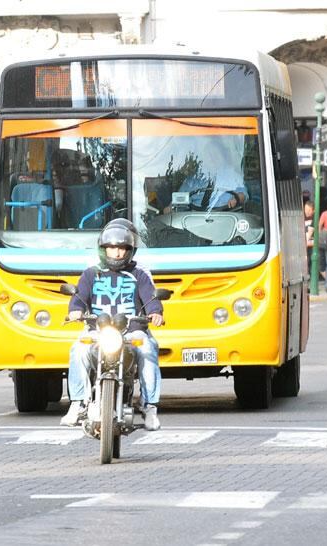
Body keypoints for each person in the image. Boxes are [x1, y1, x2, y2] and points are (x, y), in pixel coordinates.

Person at [60, 219, 164, 431]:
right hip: (97, 331)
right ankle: (78, 403)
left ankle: (149, 406)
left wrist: (155, 313)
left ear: (130, 250)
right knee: (78, 349)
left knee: (148, 349)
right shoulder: (91, 273)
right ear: (103, 249)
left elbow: (151, 298)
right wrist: (75, 310)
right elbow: (79, 297)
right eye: (112, 248)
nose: (116, 253)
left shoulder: (139, 275)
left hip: (132, 332)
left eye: (122, 249)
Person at [174, 168, 248, 211]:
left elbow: (243, 194)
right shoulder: (193, 179)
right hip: (195, 218)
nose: (211, 159)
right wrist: (170, 208)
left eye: (214, 155)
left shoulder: (232, 175)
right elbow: (178, 200)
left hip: (226, 214)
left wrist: (237, 198)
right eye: (207, 156)